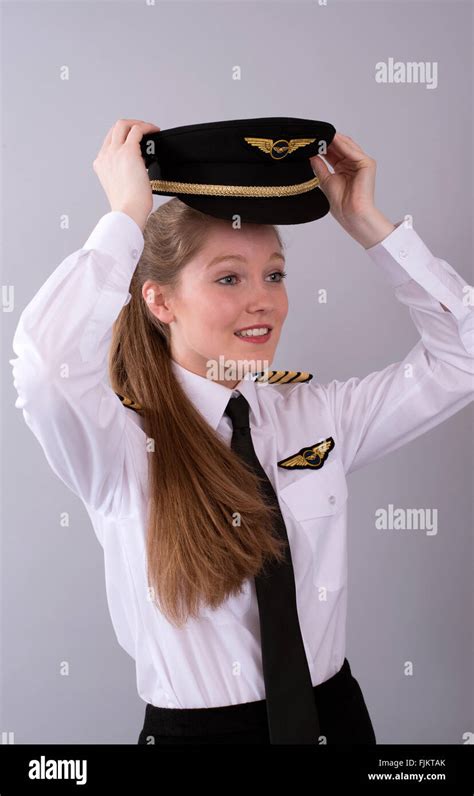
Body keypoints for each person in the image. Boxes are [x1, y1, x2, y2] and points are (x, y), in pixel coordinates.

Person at [9, 118, 473, 745]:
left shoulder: (317, 416)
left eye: (274, 274)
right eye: (229, 277)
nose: (264, 301)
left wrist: (368, 224)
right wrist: (125, 216)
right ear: (159, 301)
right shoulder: (118, 444)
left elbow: (461, 359)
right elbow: (45, 367)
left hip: (335, 723)